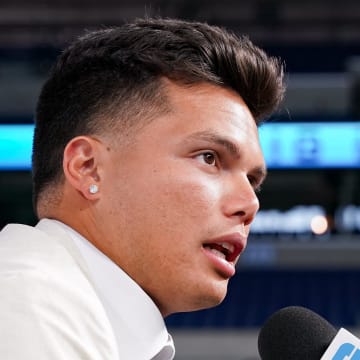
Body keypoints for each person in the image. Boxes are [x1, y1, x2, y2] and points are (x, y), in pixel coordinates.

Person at [0, 17, 285, 359]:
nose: (250, 204)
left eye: (253, 180)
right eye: (209, 158)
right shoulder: (28, 303)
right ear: (88, 168)